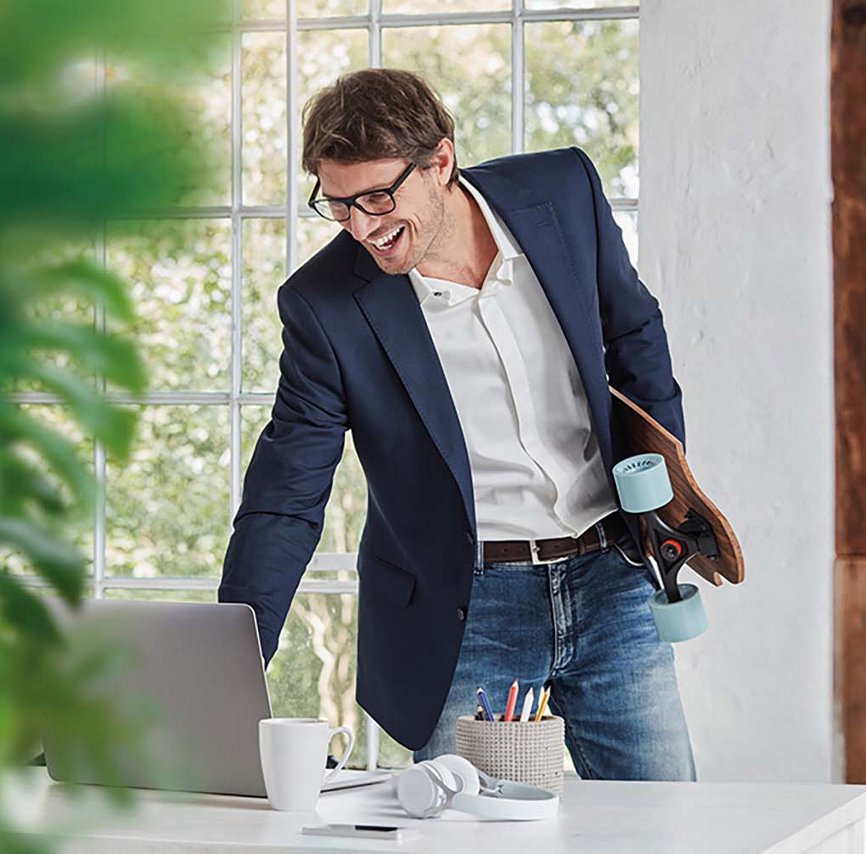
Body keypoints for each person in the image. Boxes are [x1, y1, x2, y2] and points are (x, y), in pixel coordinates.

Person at [218, 67, 695, 781]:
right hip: (469, 612)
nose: (362, 226)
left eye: (378, 196)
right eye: (339, 204)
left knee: (668, 827)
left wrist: (665, 496)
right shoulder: (325, 305)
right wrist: (228, 665)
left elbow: (634, 332)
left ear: (440, 161)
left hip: (612, 581)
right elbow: (287, 495)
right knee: (461, 836)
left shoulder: (560, 193)